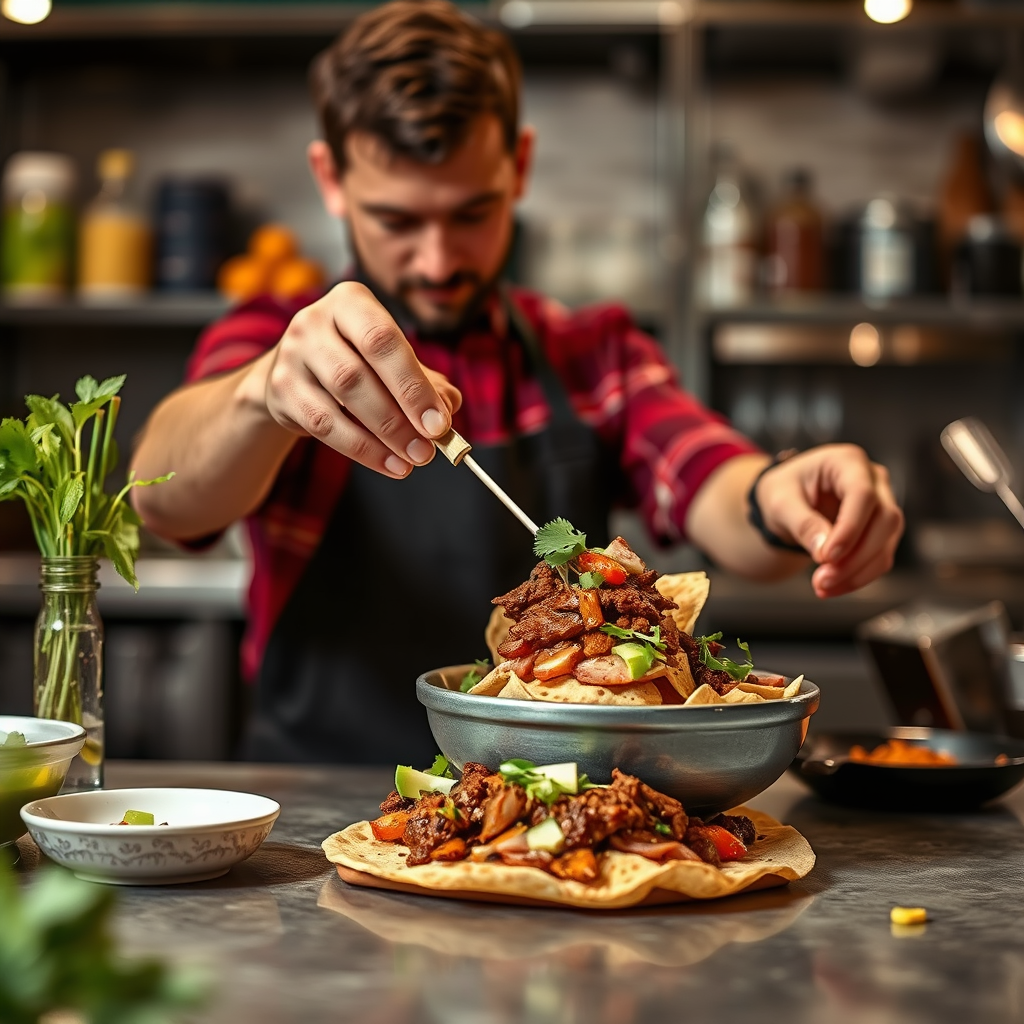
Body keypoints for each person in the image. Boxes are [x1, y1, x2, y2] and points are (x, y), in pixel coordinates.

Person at [130, 0, 903, 764]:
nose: (437, 261)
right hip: (308, 815)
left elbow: (711, 483)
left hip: (565, 810)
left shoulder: (590, 352)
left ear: (520, 167)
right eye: (397, 221)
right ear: (331, 179)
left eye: (472, 213)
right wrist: (261, 393)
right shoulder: (274, 336)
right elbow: (163, 500)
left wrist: (779, 497)